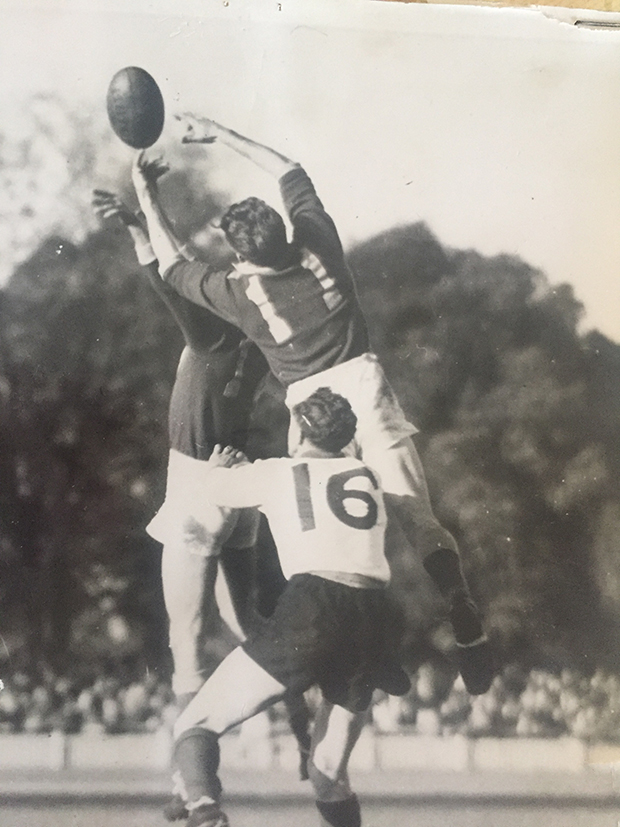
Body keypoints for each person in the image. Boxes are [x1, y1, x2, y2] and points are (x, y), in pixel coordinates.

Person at [131, 120, 494, 695]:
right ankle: (463, 614)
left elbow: (173, 268)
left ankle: (368, 648)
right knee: (414, 515)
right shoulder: (320, 244)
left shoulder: (245, 294)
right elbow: (288, 169)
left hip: (315, 416)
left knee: (327, 544)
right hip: (367, 384)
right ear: (285, 231)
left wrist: (146, 194)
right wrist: (219, 133)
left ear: (241, 254)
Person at [91, 184, 311, 801]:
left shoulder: (212, 333)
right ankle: (305, 737)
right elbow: (178, 265)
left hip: (196, 482)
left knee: (185, 642)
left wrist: (144, 209)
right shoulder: (269, 338)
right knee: (253, 630)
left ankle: (193, 789)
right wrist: (140, 221)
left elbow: (168, 273)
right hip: (238, 485)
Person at [170, 387, 411, 827]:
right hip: (373, 615)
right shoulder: (367, 474)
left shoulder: (278, 471)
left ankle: (205, 813)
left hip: (316, 606)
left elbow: (212, 488)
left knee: (195, 725)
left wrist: (220, 469)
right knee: (329, 777)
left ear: (298, 429)